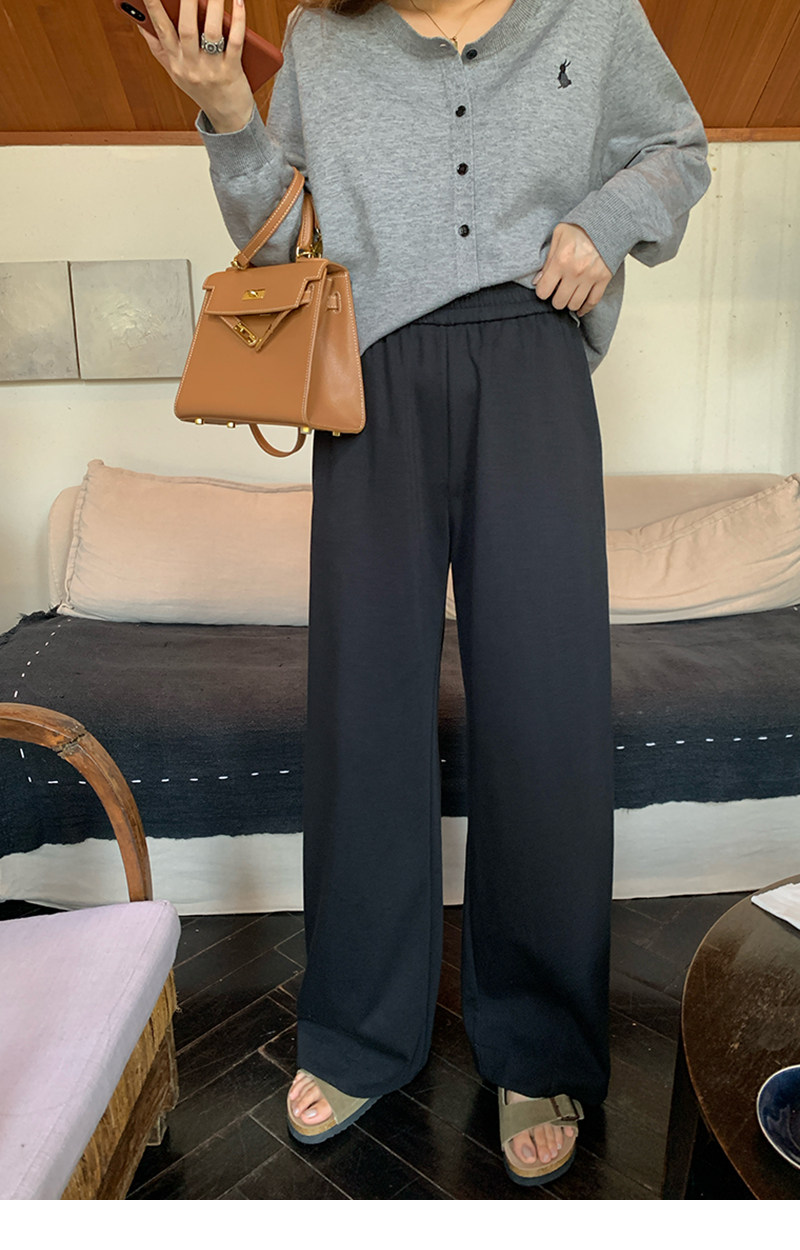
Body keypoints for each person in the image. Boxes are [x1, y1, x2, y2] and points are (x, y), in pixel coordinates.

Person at [139, 0, 711, 1186]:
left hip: (532, 360)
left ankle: (538, 1042)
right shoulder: (324, 37)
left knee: (545, 714)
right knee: (363, 709)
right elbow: (282, 246)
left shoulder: (591, 14)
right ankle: (359, 1027)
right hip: (371, 377)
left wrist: (604, 221)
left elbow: (678, 147)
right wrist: (231, 114)